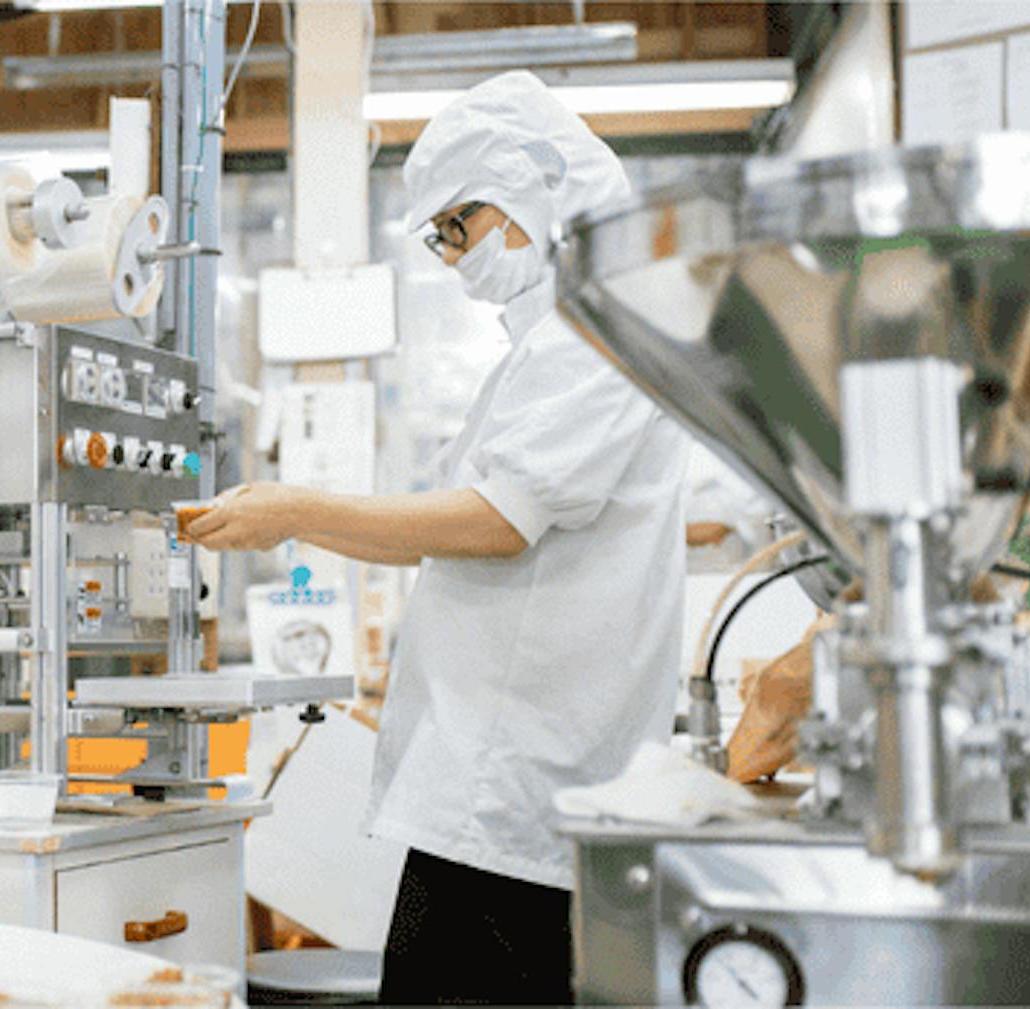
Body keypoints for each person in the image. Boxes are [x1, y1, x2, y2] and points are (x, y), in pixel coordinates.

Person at [186, 71, 690, 1006]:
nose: (453, 256)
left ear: (532, 189)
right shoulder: (549, 342)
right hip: (499, 786)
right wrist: (290, 513)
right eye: (440, 236)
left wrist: (297, 509)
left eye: (457, 226)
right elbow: (450, 532)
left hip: (520, 792)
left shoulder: (599, 334)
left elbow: (495, 523)